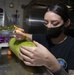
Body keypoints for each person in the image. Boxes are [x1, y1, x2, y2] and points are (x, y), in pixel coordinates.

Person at [13, 3, 74, 75]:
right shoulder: (42, 38)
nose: (49, 26)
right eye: (46, 22)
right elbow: (25, 35)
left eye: (54, 23)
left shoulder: (72, 46)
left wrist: (51, 64)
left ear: (66, 23)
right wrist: (20, 34)